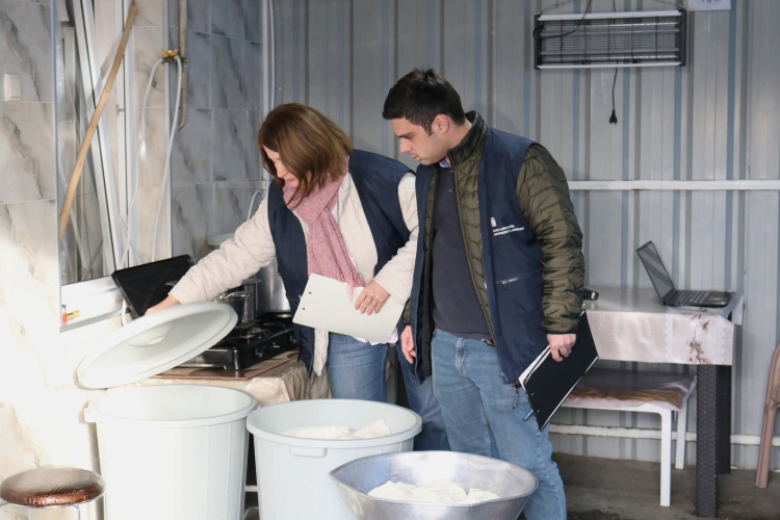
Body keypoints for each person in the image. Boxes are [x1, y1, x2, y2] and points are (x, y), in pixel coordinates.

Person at [148, 103, 449, 450]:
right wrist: (173, 302)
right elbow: (235, 256)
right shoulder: (281, 201)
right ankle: (373, 481)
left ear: (310, 148)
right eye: (271, 161)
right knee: (360, 426)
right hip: (351, 319)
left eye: (283, 160)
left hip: (415, 310)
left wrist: (386, 283)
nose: (279, 172)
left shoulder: (382, 179)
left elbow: (432, 233)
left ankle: (434, 481)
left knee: (433, 417)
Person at [382, 69, 585, 519]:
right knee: (473, 472)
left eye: (408, 135)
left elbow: (562, 241)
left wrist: (560, 321)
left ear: (440, 123)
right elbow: (428, 254)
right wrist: (413, 320)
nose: (404, 147)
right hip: (446, 348)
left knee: (528, 468)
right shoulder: (427, 174)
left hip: (503, 350)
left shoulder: (521, 160)